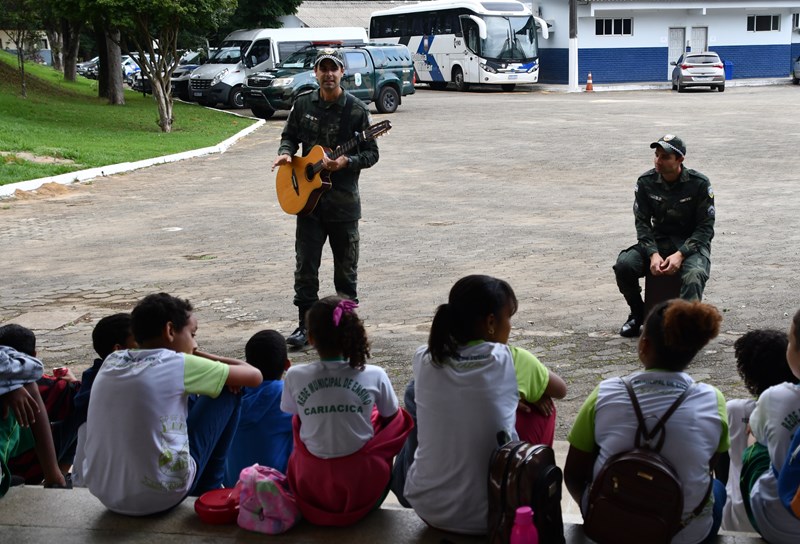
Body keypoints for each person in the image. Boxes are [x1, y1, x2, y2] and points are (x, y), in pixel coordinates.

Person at [81, 293, 262, 515]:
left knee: (208, 388)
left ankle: (203, 485)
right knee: (229, 391)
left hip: (106, 493)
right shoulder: (177, 363)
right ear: (170, 330)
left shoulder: (112, 361)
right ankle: (210, 488)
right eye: (192, 334)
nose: (194, 343)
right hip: (160, 495)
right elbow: (254, 376)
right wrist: (199, 354)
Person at [393, 275, 547, 535]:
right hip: (496, 513)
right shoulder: (507, 357)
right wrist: (522, 391)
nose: (510, 326)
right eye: (509, 317)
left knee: (413, 393)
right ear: (490, 322)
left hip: (428, 509)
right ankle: (521, 491)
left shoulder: (424, 357)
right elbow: (561, 389)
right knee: (545, 408)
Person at [565, 299, 729, 543]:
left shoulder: (606, 392)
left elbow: (573, 474)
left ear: (644, 345)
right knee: (717, 489)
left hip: (608, 529)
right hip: (684, 534)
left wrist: (595, 510)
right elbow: (715, 465)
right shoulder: (712, 399)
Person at [271, 48, 380, 348]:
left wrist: (345, 162)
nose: (329, 74)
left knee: (346, 272)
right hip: (308, 206)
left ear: (342, 72)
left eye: (334, 69)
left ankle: (346, 329)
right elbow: (289, 135)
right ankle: (305, 328)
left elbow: (371, 153)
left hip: (343, 206)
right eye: (323, 69)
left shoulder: (356, 110)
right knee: (306, 268)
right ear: (316, 72)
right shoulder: (303, 102)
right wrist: (285, 153)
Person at [280, 296, 413, 526]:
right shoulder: (375, 374)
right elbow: (392, 417)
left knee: (299, 421)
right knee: (395, 418)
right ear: (352, 335)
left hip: (310, 487)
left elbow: (293, 414)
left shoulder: (295, 376)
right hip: (364, 489)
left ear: (310, 339)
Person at [613, 135, 715, 337]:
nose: (658, 161)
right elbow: (642, 223)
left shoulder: (699, 184)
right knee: (624, 265)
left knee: (694, 275)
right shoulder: (646, 182)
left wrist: (681, 254)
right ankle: (637, 313)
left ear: (680, 160)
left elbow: (705, 227)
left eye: (665, 157)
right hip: (658, 243)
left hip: (691, 245)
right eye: (656, 155)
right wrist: (652, 253)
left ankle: (684, 327)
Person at [720, 329, 798, 532]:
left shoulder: (735, 410)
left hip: (740, 518)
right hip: (789, 518)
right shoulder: (790, 404)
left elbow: (722, 466)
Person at [743, 309, 800, 543]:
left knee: (756, 444)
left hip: (780, 525)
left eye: (790, 341)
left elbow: (758, 431)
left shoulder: (776, 396)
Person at [0, 323, 73, 488]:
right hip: (26, 462)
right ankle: (55, 475)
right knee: (30, 385)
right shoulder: (52, 386)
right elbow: (35, 368)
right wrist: (10, 384)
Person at [71, 313, 138, 487]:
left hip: (82, 481)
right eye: (139, 340)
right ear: (118, 350)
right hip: (111, 489)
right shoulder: (130, 382)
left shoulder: (92, 378)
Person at [223, 329, 293, 487]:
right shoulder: (285, 394)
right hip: (276, 492)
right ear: (287, 365)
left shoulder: (232, 394)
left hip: (234, 488)